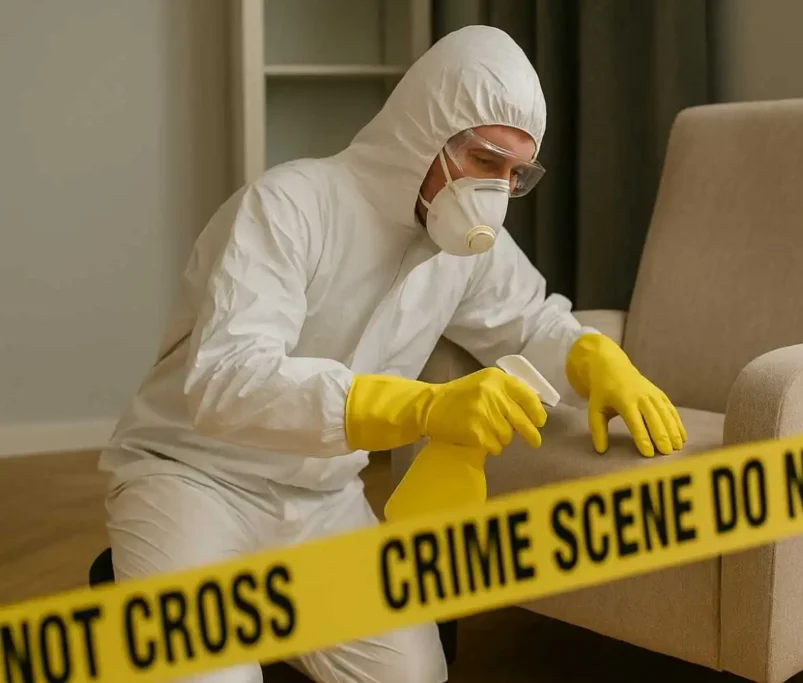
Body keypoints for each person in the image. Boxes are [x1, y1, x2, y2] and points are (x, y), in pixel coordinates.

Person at [98, 25, 685, 683]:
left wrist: (593, 357)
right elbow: (227, 380)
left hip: (321, 496)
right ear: (425, 131)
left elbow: (527, 321)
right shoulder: (289, 207)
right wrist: (423, 406)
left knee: (413, 674)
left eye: (517, 174)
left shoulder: (460, 249)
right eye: (487, 161)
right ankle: (141, 575)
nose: (498, 190)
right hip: (194, 478)